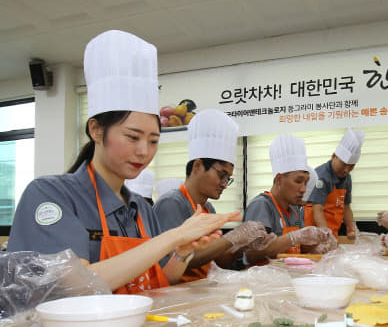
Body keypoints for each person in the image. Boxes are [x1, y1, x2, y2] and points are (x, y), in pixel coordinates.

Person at [7, 30, 239, 293]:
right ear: (96, 130)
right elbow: (78, 286)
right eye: (132, 137)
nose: (144, 151)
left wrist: (181, 254)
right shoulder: (50, 195)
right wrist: (173, 237)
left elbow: (159, 282)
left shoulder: (140, 208)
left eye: (153, 140)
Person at [153, 109, 271, 281]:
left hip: (199, 288)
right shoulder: (171, 203)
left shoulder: (208, 208)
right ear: (197, 166)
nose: (224, 184)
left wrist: (243, 245)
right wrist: (231, 238)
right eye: (221, 175)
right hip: (175, 293)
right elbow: (183, 258)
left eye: (228, 179)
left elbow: (219, 260)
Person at [243, 134, 337, 265]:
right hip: (263, 280)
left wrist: (319, 246)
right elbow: (252, 254)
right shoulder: (262, 205)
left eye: (306, 183)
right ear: (279, 180)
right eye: (298, 181)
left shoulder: (294, 210)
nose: (304, 189)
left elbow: (300, 247)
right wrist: (294, 237)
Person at [305, 128, 364, 239]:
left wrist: (351, 228)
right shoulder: (322, 177)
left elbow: (346, 207)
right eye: (344, 164)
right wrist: (327, 237)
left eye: (351, 166)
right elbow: (317, 210)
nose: (347, 170)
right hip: (315, 233)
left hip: (332, 232)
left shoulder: (347, 178)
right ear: (334, 157)